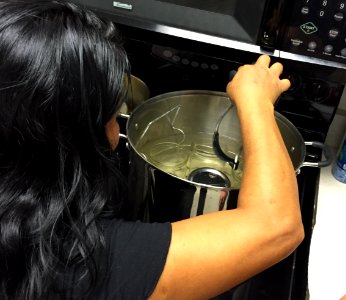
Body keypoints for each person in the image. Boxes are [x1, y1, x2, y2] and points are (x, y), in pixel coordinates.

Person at [0, 1, 304, 299]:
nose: (117, 132)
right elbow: (277, 226)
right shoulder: (83, 265)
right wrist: (257, 101)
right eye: (112, 116)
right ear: (75, 143)